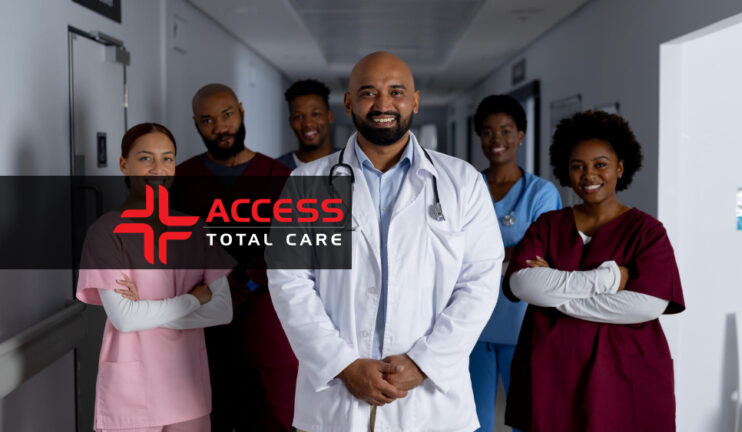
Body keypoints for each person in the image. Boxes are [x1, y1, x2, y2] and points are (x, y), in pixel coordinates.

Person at [267, 51, 504, 432]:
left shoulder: (462, 182)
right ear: (348, 103)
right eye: (368, 92)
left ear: (414, 100)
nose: (383, 104)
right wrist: (343, 366)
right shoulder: (306, 184)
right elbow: (289, 281)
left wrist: (424, 363)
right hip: (336, 401)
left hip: (431, 405)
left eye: (396, 92)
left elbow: (479, 282)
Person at [503, 110, 685, 432]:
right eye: (578, 166)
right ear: (566, 170)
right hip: (553, 372)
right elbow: (522, 284)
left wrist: (555, 296)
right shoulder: (549, 225)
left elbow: (645, 305)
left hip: (622, 374)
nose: (589, 175)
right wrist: (609, 279)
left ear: (620, 167)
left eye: (600, 164)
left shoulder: (647, 231)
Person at [76, 122, 233, 432]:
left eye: (167, 158)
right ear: (124, 164)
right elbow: (125, 320)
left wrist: (147, 309)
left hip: (186, 389)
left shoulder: (196, 230)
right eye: (146, 158)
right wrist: (192, 299)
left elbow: (222, 310)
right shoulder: (106, 234)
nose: (158, 168)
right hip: (131, 396)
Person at [174, 83, 296, 431]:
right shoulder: (181, 181)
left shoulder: (281, 178)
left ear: (241, 112)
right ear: (196, 124)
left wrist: (244, 282)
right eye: (208, 120)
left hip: (268, 329)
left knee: (275, 417)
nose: (220, 127)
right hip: (203, 329)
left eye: (227, 115)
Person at [468, 95, 561, 432]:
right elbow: (453, 248)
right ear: (479, 137)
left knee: (527, 417)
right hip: (471, 321)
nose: (497, 140)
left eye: (506, 131)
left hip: (523, 322)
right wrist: (511, 251)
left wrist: (482, 251)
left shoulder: (541, 193)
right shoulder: (467, 186)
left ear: (521, 135)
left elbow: (541, 254)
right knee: (473, 420)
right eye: (489, 132)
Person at [277, 79, 337, 170]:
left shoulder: (352, 164)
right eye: (299, 116)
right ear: (290, 122)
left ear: (330, 116)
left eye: (315, 114)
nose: (308, 123)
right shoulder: (274, 170)